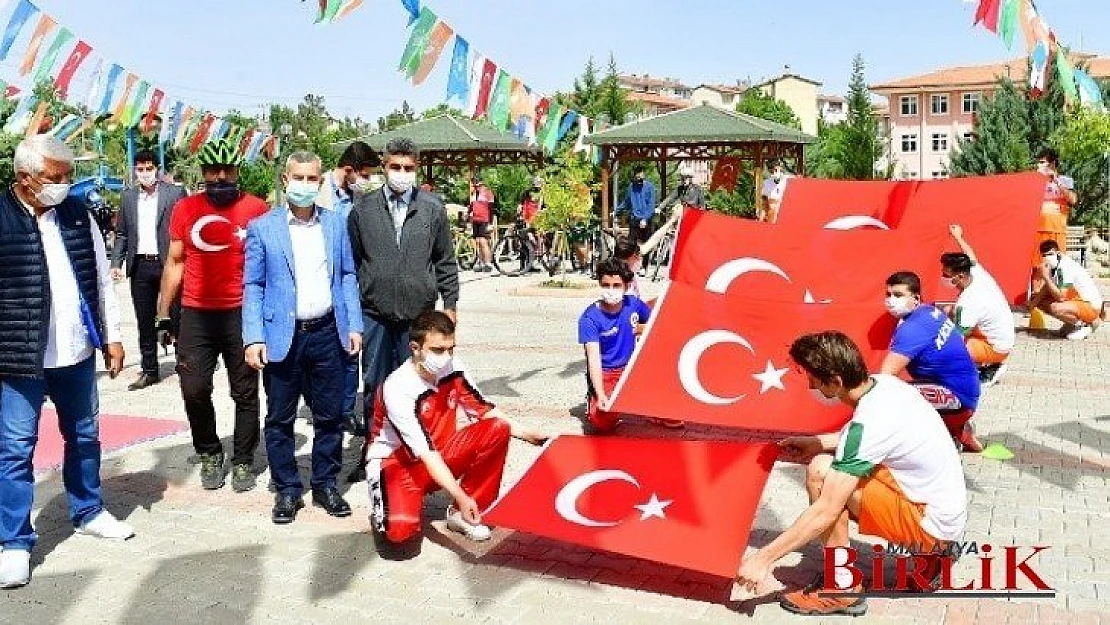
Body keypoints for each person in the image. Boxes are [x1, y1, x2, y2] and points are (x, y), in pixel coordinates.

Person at [736, 331, 967, 617]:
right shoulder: (886, 385)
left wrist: (763, 558)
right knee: (828, 460)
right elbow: (872, 438)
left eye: (814, 380)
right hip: (946, 515)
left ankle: (841, 589)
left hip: (930, 528)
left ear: (836, 382)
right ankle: (934, 558)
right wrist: (818, 442)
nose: (810, 385)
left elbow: (826, 510)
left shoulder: (869, 422)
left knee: (821, 473)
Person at [0, 135, 135, 589]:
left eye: (68, 176)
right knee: (16, 448)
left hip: (75, 351)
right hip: (19, 358)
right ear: (26, 178)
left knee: (84, 433)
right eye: (57, 178)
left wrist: (113, 336)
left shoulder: (76, 213)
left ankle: (89, 510)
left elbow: (99, 277)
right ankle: (15, 541)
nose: (66, 185)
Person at [242, 151, 364, 524]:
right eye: (299, 178)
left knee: (331, 415)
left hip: (328, 331)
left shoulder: (334, 225)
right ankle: (288, 490)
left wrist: (354, 324)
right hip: (283, 336)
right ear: (285, 179)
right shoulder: (264, 228)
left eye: (313, 179)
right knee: (279, 418)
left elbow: (346, 275)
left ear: (321, 182)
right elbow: (254, 284)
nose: (305, 186)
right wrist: (253, 336)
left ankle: (326, 483)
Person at [365, 311, 547, 544]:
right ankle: (387, 497)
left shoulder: (453, 368)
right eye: (438, 350)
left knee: (498, 428)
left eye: (451, 349)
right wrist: (459, 495)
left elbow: (483, 409)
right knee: (399, 533)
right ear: (415, 347)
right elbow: (426, 454)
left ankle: (464, 515)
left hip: (439, 453)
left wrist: (527, 434)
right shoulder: (398, 387)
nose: (446, 357)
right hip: (399, 464)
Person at [156, 138, 270, 492]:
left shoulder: (257, 209)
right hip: (196, 314)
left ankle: (243, 460)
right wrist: (162, 314)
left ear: (238, 170)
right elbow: (174, 263)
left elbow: (269, 265)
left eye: (227, 169)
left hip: (241, 314)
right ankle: (209, 452)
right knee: (193, 389)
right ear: (203, 172)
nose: (220, 177)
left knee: (246, 393)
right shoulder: (185, 208)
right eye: (211, 171)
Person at [347, 137, 459, 483]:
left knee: (416, 386)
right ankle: (373, 452)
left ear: (416, 168)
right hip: (375, 315)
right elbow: (352, 263)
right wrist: (353, 316)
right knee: (376, 387)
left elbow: (445, 260)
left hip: (418, 315)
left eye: (408, 168)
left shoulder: (431, 208)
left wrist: (450, 306)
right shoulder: (363, 210)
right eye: (395, 167)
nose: (401, 174)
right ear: (383, 167)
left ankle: (414, 453)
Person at [317, 141, 382, 438]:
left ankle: (344, 411)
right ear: (348, 170)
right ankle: (326, 407)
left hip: (351, 283)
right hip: (322, 282)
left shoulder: (357, 197)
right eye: (364, 174)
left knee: (351, 348)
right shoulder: (319, 191)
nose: (367, 181)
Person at [109, 149, 187, 390]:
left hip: (169, 263)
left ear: (157, 169)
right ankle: (150, 369)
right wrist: (115, 263)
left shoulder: (174, 193)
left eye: (148, 168)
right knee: (144, 321)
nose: (144, 173)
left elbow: (186, 225)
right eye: (140, 169)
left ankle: (185, 363)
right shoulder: (128, 197)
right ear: (135, 170)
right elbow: (122, 233)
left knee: (176, 314)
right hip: (141, 265)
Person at [880, 271, 983, 452]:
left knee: (887, 395)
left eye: (898, 295)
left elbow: (884, 377)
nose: (891, 300)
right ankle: (958, 429)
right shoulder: (929, 311)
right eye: (888, 295)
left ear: (916, 298)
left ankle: (943, 441)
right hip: (966, 390)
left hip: (957, 399)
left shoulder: (912, 329)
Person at [578, 259, 653, 434]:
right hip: (607, 373)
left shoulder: (633, 304)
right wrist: (601, 393)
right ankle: (597, 400)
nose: (611, 290)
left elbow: (656, 322)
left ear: (626, 286)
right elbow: (593, 359)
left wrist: (641, 329)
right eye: (606, 285)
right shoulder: (589, 319)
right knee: (602, 422)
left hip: (631, 369)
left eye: (616, 285)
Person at [942, 224, 1015, 385]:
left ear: (960, 276)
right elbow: (970, 255)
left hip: (997, 347)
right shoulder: (975, 273)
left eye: (946, 275)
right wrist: (958, 236)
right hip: (1003, 336)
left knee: (948, 350)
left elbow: (956, 339)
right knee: (949, 311)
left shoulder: (968, 301)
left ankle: (991, 366)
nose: (943, 277)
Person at [1029, 240, 1103, 340]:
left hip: (1090, 305)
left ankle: (1085, 325)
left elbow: (1061, 297)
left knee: (1056, 308)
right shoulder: (1054, 265)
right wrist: (1032, 303)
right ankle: (1072, 323)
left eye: (1050, 254)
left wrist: (1045, 277)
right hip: (1077, 301)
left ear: (1058, 253)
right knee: (1037, 299)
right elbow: (1047, 287)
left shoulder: (1064, 267)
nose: (1047, 258)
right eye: (1044, 255)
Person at [1031, 148, 1076, 270]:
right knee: (1038, 268)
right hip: (1038, 230)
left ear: (1053, 163)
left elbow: (1073, 200)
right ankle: (1038, 290)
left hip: (1057, 230)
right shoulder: (1034, 182)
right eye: (1039, 162)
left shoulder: (1065, 181)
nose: (1039, 165)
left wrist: (1056, 180)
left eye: (1042, 162)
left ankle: (1057, 290)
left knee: (1059, 268)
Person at [315, 140, 382, 215]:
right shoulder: (319, 189)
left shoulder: (357, 193)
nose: (368, 180)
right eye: (365, 176)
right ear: (348, 170)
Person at [616, 166, 657, 245]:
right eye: (637, 177)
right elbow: (627, 202)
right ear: (634, 176)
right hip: (634, 219)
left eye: (641, 177)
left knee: (646, 246)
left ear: (644, 176)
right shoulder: (631, 187)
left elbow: (651, 206)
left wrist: (645, 219)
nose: (639, 180)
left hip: (646, 221)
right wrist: (616, 211)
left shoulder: (650, 187)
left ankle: (646, 257)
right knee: (631, 245)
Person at [468, 176, 495, 272]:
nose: (476, 186)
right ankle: (480, 262)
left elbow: (491, 208)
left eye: (477, 185)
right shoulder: (473, 194)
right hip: (475, 220)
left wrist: (490, 223)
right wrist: (468, 217)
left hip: (484, 219)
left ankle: (488, 262)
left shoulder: (488, 192)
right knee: (478, 241)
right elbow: (471, 207)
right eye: (474, 185)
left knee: (483, 241)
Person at [759, 159, 793, 223]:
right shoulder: (767, 183)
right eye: (772, 171)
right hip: (772, 218)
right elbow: (764, 204)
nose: (774, 172)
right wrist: (760, 221)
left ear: (780, 167)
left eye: (776, 170)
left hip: (787, 218)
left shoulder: (790, 180)